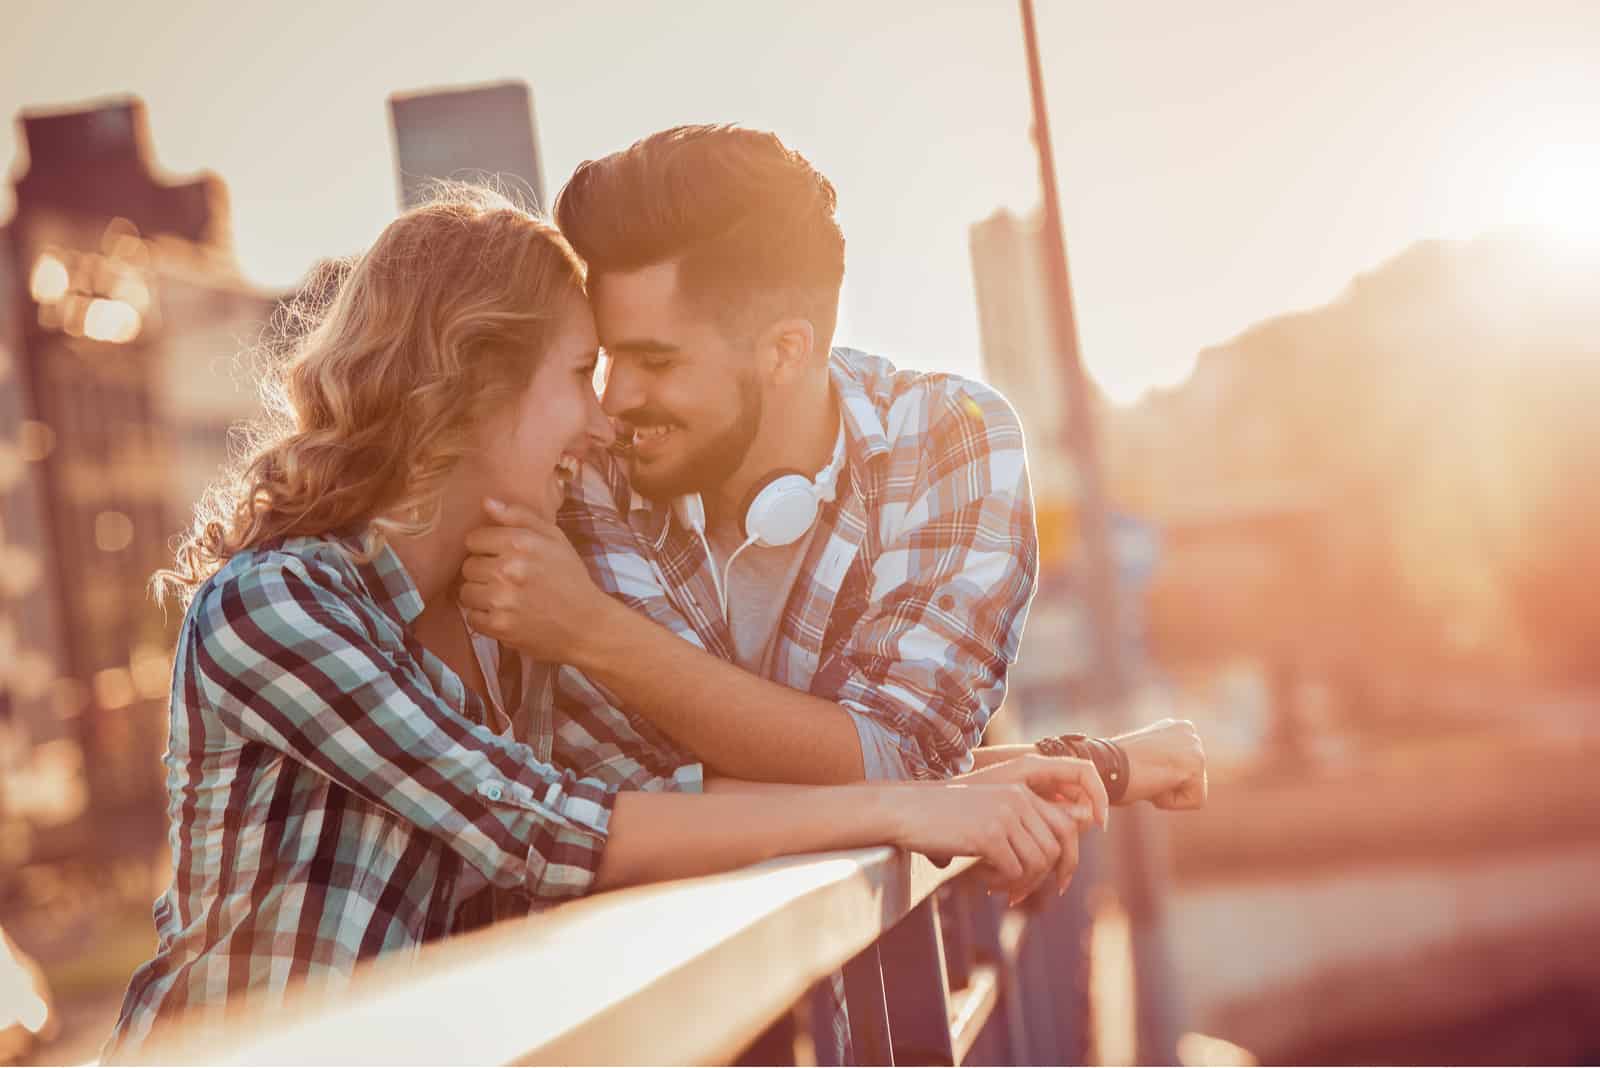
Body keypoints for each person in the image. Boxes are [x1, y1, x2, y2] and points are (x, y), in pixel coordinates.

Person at [100, 189, 1109, 1063]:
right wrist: (900, 810)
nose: (602, 420)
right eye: (579, 374)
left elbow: (646, 798)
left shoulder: (499, 620)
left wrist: (967, 788)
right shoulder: (278, 606)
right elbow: (544, 828)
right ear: (476, 385)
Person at [454, 125, 1206, 808]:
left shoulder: (949, 442)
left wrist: (591, 635)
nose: (613, 400)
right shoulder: (575, 460)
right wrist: (1070, 767)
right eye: (609, 359)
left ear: (785, 350)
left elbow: (900, 762)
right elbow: (607, 800)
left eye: (655, 361)